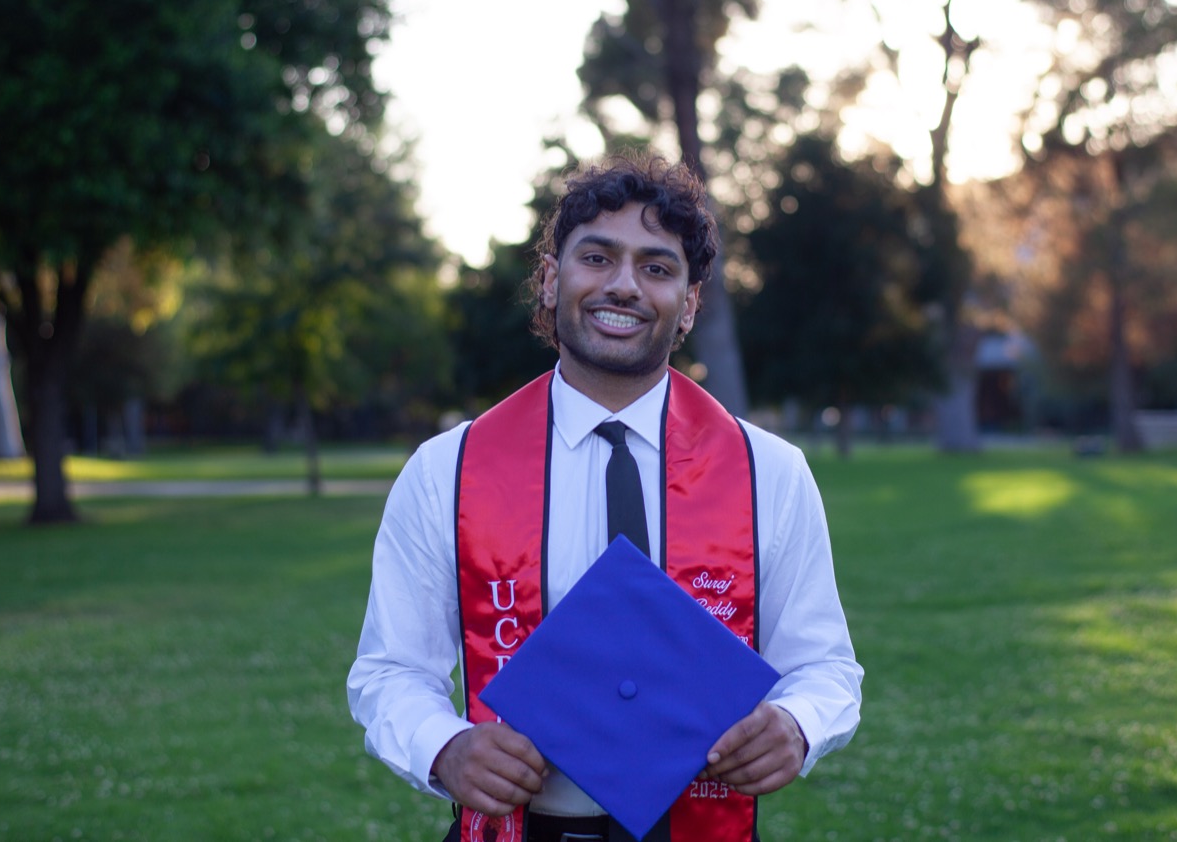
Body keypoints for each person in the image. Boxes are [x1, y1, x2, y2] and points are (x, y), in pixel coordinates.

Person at [347, 154, 862, 842]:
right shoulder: (451, 470)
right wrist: (444, 747)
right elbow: (390, 670)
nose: (624, 286)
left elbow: (825, 666)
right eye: (597, 257)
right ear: (552, 278)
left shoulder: (769, 470)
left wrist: (798, 724)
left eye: (656, 267)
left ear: (689, 304)